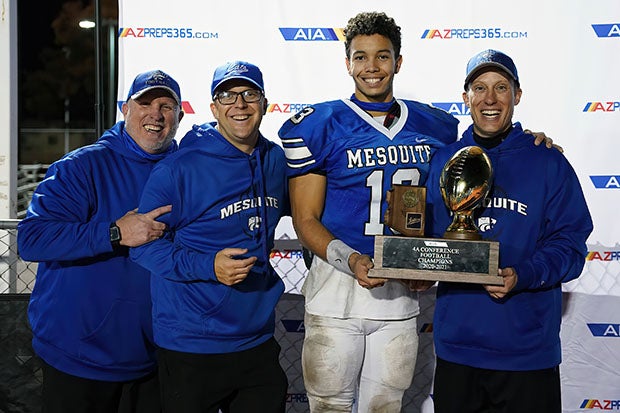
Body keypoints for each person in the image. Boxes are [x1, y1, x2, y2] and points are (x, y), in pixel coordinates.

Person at [278, 12, 459, 412]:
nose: (371, 67)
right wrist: (352, 259)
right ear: (347, 63)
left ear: (398, 61)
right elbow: (304, 219)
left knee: (386, 407)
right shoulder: (321, 124)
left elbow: (444, 205)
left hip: (398, 296)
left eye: (382, 56)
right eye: (360, 57)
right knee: (329, 407)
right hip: (336, 292)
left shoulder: (437, 126)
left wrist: (428, 266)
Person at [425, 49, 593, 413]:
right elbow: (430, 241)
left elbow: (571, 247)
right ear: (465, 96)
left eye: (501, 87)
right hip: (458, 349)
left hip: (526, 354)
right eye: (480, 87)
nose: (490, 99)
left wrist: (524, 274)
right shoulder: (444, 161)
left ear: (517, 95)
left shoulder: (548, 161)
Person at [17, 69, 185, 412]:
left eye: (166, 105)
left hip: (154, 358)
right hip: (78, 358)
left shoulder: (189, 171)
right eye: (145, 103)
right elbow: (32, 238)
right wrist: (115, 232)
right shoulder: (82, 166)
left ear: (180, 116)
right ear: (125, 109)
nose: (155, 114)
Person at [129, 61, 289, 413]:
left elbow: (312, 213)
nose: (240, 104)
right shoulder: (178, 169)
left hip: (257, 339)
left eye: (250, 94)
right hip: (192, 344)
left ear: (264, 102)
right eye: (228, 96)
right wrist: (208, 266)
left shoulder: (275, 160)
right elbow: (142, 249)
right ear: (214, 108)